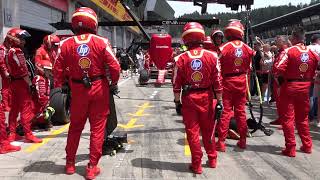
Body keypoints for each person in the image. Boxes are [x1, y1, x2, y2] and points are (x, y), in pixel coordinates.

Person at [53, 7, 120, 179]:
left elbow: (57, 69)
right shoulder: (101, 41)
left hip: (77, 90)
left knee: (75, 127)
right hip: (99, 88)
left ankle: (69, 164)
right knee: (97, 129)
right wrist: (113, 83)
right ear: (93, 22)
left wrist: (62, 85)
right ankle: (91, 167)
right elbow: (115, 67)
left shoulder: (64, 44)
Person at [173, 22, 223, 174]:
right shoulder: (213, 56)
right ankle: (213, 159)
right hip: (207, 97)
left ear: (186, 37)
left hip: (189, 98)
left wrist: (177, 102)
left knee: (192, 132)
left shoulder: (180, 59)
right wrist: (219, 101)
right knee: (208, 131)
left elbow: (176, 84)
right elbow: (218, 82)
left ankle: (197, 164)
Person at [274, 27, 319, 157]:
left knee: (288, 119)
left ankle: (291, 147)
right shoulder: (312, 53)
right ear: (303, 38)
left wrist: (281, 82)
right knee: (303, 118)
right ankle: (307, 145)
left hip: (290, 86)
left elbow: (277, 69)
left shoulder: (288, 51)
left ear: (293, 38)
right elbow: (317, 67)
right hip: (305, 87)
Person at [216, 20, 255, 152]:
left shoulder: (224, 47)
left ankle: (221, 142)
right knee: (241, 113)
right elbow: (249, 68)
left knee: (226, 113)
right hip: (242, 82)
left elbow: (217, 67)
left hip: (227, 82)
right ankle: (243, 140)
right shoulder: (248, 49)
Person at [5, 28, 42, 143]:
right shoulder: (17, 52)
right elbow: (23, 70)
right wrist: (30, 84)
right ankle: (28, 134)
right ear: (14, 39)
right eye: (21, 39)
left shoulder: (8, 51)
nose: (24, 42)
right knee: (26, 108)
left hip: (13, 83)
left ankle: (12, 133)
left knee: (14, 109)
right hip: (21, 83)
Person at [0, 37, 21, 154]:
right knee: (6, 89)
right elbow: (2, 61)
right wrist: (6, 72)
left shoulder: (6, 49)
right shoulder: (2, 49)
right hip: (5, 74)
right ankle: (3, 144)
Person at [270, 35, 290, 125]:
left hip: (281, 80)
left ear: (283, 41)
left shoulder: (285, 51)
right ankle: (281, 118)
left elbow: (278, 67)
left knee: (283, 102)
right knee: (279, 101)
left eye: (278, 40)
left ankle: (285, 119)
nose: (276, 42)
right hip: (277, 80)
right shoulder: (280, 51)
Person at [31, 59, 55, 130]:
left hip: (41, 106)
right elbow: (41, 96)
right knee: (27, 121)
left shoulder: (47, 79)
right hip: (34, 107)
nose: (49, 72)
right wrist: (45, 108)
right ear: (42, 69)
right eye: (48, 70)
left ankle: (41, 122)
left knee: (51, 110)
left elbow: (47, 94)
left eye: (50, 70)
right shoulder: (39, 79)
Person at [308, 34, 320, 127]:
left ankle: (311, 116)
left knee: (310, 96)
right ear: (318, 40)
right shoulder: (319, 48)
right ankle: (315, 115)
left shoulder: (306, 48)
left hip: (308, 74)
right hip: (317, 74)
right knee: (316, 97)